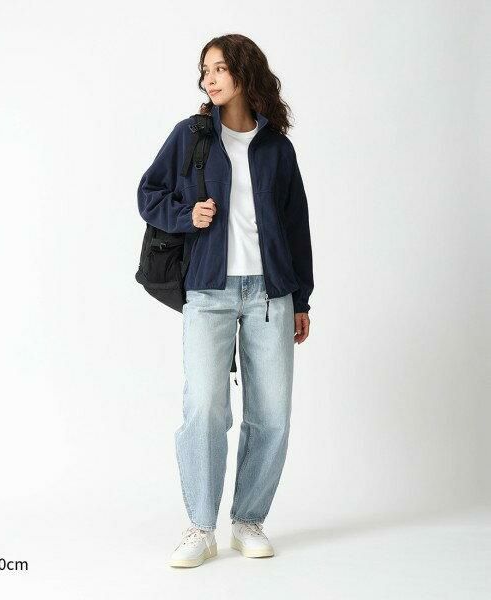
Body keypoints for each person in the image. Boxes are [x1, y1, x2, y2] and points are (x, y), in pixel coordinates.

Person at [137, 34, 314, 568]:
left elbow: (296, 226)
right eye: (205, 70)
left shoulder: (277, 147)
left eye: (218, 68)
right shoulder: (191, 135)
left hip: (269, 293)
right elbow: (149, 193)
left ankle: (247, 520)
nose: (209, 79)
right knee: (204, 409)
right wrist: (185, 215)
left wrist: (301, 298)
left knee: (273, 414)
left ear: (244, 71)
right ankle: (200, 526)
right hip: (208, 290)